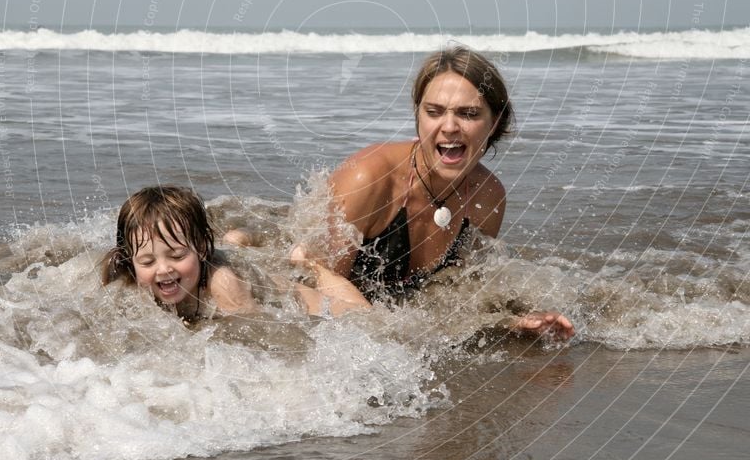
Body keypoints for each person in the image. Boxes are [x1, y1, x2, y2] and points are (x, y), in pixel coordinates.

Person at [307, 45, 574, 341]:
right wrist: (374, 326)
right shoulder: (369, 178)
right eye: (434, 112)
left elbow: (458, 294)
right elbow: (317, 274)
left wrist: (513, 322)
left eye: (468, 114)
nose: (449, 127)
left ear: (495, 122)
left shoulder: (487, 196)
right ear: (419, 117)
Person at [102, 185, 369, 322]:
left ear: (203, 248)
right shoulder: (125, 275)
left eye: (177, 256)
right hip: (246, 269)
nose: (163, 269)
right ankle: (237, 240)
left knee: (367, 316)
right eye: (148, 261)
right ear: (130, 259)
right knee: (238, 253)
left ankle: (310, 264)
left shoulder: (224, 284)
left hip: (298, 296)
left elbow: (257, 332)